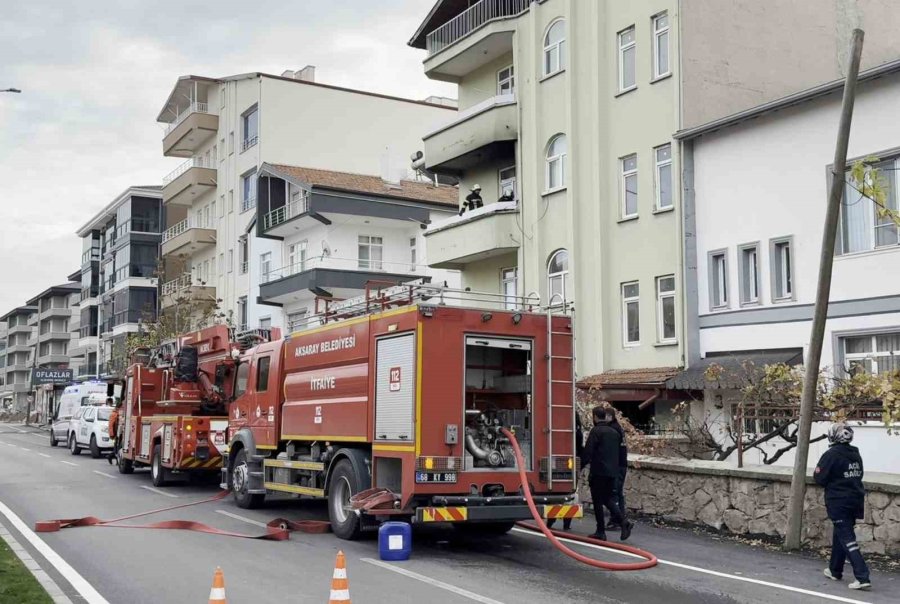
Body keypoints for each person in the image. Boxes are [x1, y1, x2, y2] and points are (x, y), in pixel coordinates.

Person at [815, 423, 871, 591]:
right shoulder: (855, 453)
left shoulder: (831, 454)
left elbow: (819, 478)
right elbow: (859, 474)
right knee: (840, 532)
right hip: (855, 499)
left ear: (834, 436)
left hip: (838, 501)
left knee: (847, 537)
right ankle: (835, 570)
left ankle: (862, 576)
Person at [581, 406, 633, 541]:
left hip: (599, 472)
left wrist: (579, 467)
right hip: (612, 472)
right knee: (608, 498)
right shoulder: (614, 432)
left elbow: (588, 452)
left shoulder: (596, 431)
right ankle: (623, 522)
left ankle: (600, 531)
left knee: (598, 501)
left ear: (595, 417)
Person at [547, 413, 584, 532]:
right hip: (571, 463)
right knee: (570, 493)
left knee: (554, 492)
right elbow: (579, 448)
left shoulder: (556, 430)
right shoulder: (578, 433)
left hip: (556, 461)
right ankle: (566, 523)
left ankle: (550, 521)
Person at [606, 409, 628, 530]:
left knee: (614, 493)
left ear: (610, 416)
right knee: (618, 493)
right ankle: (620, 517)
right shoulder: (618, 428)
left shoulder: (612, 429)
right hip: (622, 464)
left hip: (616, 465)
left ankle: (617, 519)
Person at [107, 399, 122, 465]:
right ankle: (111, 457)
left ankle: (112, 457)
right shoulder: (114, 414)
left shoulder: (116, 413)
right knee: (117, 448)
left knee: (117, 447)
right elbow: (111, 425)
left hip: (118, 433)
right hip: (116, 433)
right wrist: (112, 434)